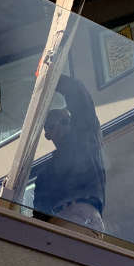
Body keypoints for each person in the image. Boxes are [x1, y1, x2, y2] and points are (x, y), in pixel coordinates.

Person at [32, 73, 105, 233]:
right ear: (48, 134)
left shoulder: (85, 145)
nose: (66, 126)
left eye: (67, 121)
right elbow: (39, 213)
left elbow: (81, 101)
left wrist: (50, 76)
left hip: (85, 219)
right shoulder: (45, 175)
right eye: (57, 123)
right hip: (60, 226)